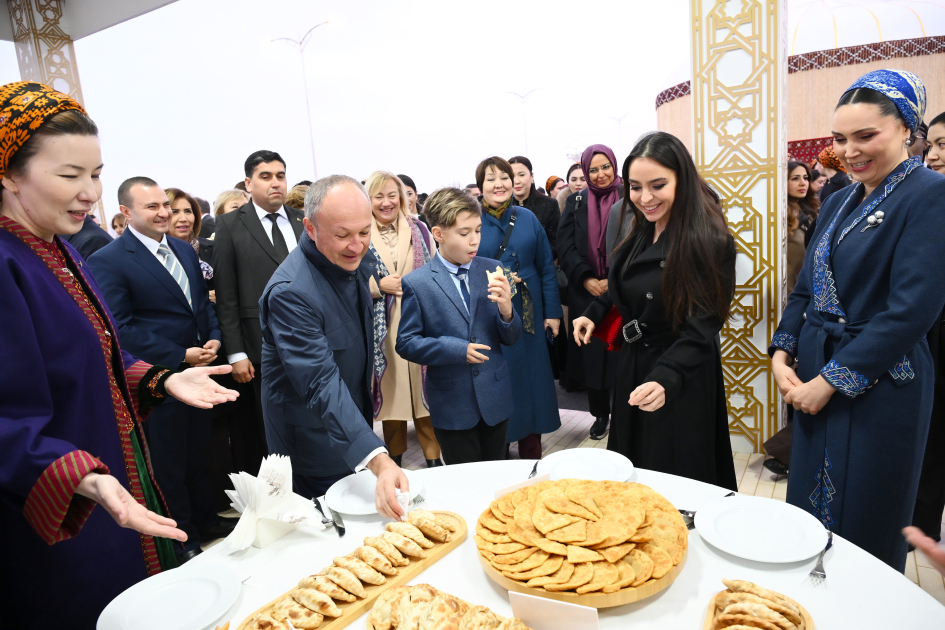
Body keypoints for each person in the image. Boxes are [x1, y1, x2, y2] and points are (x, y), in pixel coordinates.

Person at [0, 81, 238, 627]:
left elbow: (92, 356)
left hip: (112, 484)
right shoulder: (8, 263)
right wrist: (84, 477)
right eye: (70, 176)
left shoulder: (59, 250)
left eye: (96, 174)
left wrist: (161, 379)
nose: (90, 193)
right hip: (61, 511)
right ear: (10, 174)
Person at [769, 69, 945, 572]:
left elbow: (911, 311)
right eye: (841, 138)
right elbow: (807, 287)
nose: (850, 151)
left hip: (882, 380)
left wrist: (830, 382)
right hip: (814, 370)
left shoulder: (930, 194)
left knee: (867, 514)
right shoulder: (839, 199)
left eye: (866, 135)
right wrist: (782, 353)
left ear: (907, 129)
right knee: (809, 510)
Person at [571, 132, 738, 490]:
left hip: (680, 369)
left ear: (682, 180)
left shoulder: (709, 240)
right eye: (635, 187)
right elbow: (625, 284)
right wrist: (595, 311)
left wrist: (668, 376)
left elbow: (704, 324)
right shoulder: (641, 228)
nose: (645, 198)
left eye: (658, 185)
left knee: (674, 476)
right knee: (633, 469)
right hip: (634, 361)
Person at [88, 178, 232, 562]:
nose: (164, 212)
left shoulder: (183, 250)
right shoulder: (108, 260)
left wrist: (214, 339)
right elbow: (119, 327)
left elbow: (201, 306)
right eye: (152, 207)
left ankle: (207, 521)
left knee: (199, 455)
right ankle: (183, 537)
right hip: (159, 381)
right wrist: (179, 354)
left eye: (164, 204)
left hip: (200, 372)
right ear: (126, 212)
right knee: (169, 464)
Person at [259, 175, 408, 516]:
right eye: (343, 235)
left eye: (365, 232)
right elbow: (320, 381)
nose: (357, 245)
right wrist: (378, 458)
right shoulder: (291, 292)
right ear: (310, 228)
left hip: (349, 425)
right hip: (314, 439)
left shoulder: (348, 261)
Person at [397, 187, 522, 464]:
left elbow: (512, 337)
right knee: (462, 476)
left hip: (495, 396)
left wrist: (507, 310)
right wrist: (455, 349)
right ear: (438, 234)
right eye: (464, 233)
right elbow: (406, 343)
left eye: (478, 230)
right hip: (452, 404)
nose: (474, 240)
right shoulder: (417, 283)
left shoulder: (493, 268)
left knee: (498, 471)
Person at [212, 151, 305, 476]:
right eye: (266, 176)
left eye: (280, 175)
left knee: (309, 424)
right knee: (268, 431)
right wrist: (236, 353)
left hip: (308, 340)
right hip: (258, 347)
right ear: (249, 183)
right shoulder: (229, 225)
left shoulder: (302, 220)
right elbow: (226, 296)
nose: (275, 182)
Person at [475, 156, 562, 459]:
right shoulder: (471, 220)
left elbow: (546, 267)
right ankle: (497, 451)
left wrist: (553, 313)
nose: (499, 184)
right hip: (488, 312)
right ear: (480, 186)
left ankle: (531, 450)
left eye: (504, 178)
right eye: (490, 179)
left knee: (532, 378)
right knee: (498, 377)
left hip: (529, 311)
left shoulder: (527, 217)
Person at [364, 171, 442, 468]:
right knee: (392, 397)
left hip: (419, 321)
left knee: (426, 397)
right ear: (368, 200)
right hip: (382, 329)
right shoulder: (359, 232)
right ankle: (393, 460)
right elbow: (347, 279)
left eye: (392, 195)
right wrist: (377, 287)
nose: (386, 202)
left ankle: (433, 460)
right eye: (378, 196)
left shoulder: (420, 229)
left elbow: (436, 270)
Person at [558, 145, 622, 439]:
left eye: (605, 167)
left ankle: (626, 412)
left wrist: (613, 279)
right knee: (594, 358)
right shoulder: (576, 201)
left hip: (622, 289)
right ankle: (600, 415)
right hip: (586, 292)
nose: (600, 175)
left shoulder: (629, 196)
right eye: (593, 170)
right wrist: (586, 278)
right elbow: (566, 246)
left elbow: (637, 240)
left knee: (623, 354)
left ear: (614, 166)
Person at [509, 156, 561, 258]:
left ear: (532, 177)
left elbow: (556, 241)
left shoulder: (549, 204)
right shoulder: (502, 207)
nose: (516, 181)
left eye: (521, 175)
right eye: (511, 176)